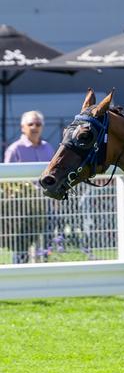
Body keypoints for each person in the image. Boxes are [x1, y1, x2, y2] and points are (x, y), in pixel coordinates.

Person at [3, 110, 54, 263]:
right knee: (21, 247)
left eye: (38, 124)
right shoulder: (14, 149)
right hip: (22, 209)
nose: (34, 127)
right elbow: (6, 182)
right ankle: (18, 275)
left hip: (46, 205)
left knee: (45, 246)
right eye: (30, 124)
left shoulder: (48, 148)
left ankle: (44, 276)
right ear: (22, 127)